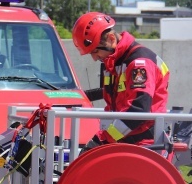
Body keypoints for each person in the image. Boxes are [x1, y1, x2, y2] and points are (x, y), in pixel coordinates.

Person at [72, 12, 170, 150]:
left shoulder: (139, 63)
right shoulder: (114, 63)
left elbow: (138, 110)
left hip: (146, 144)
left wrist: (104, 139)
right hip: (126, 141)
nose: (94, 58)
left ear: (111, 39)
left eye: (95, 51)